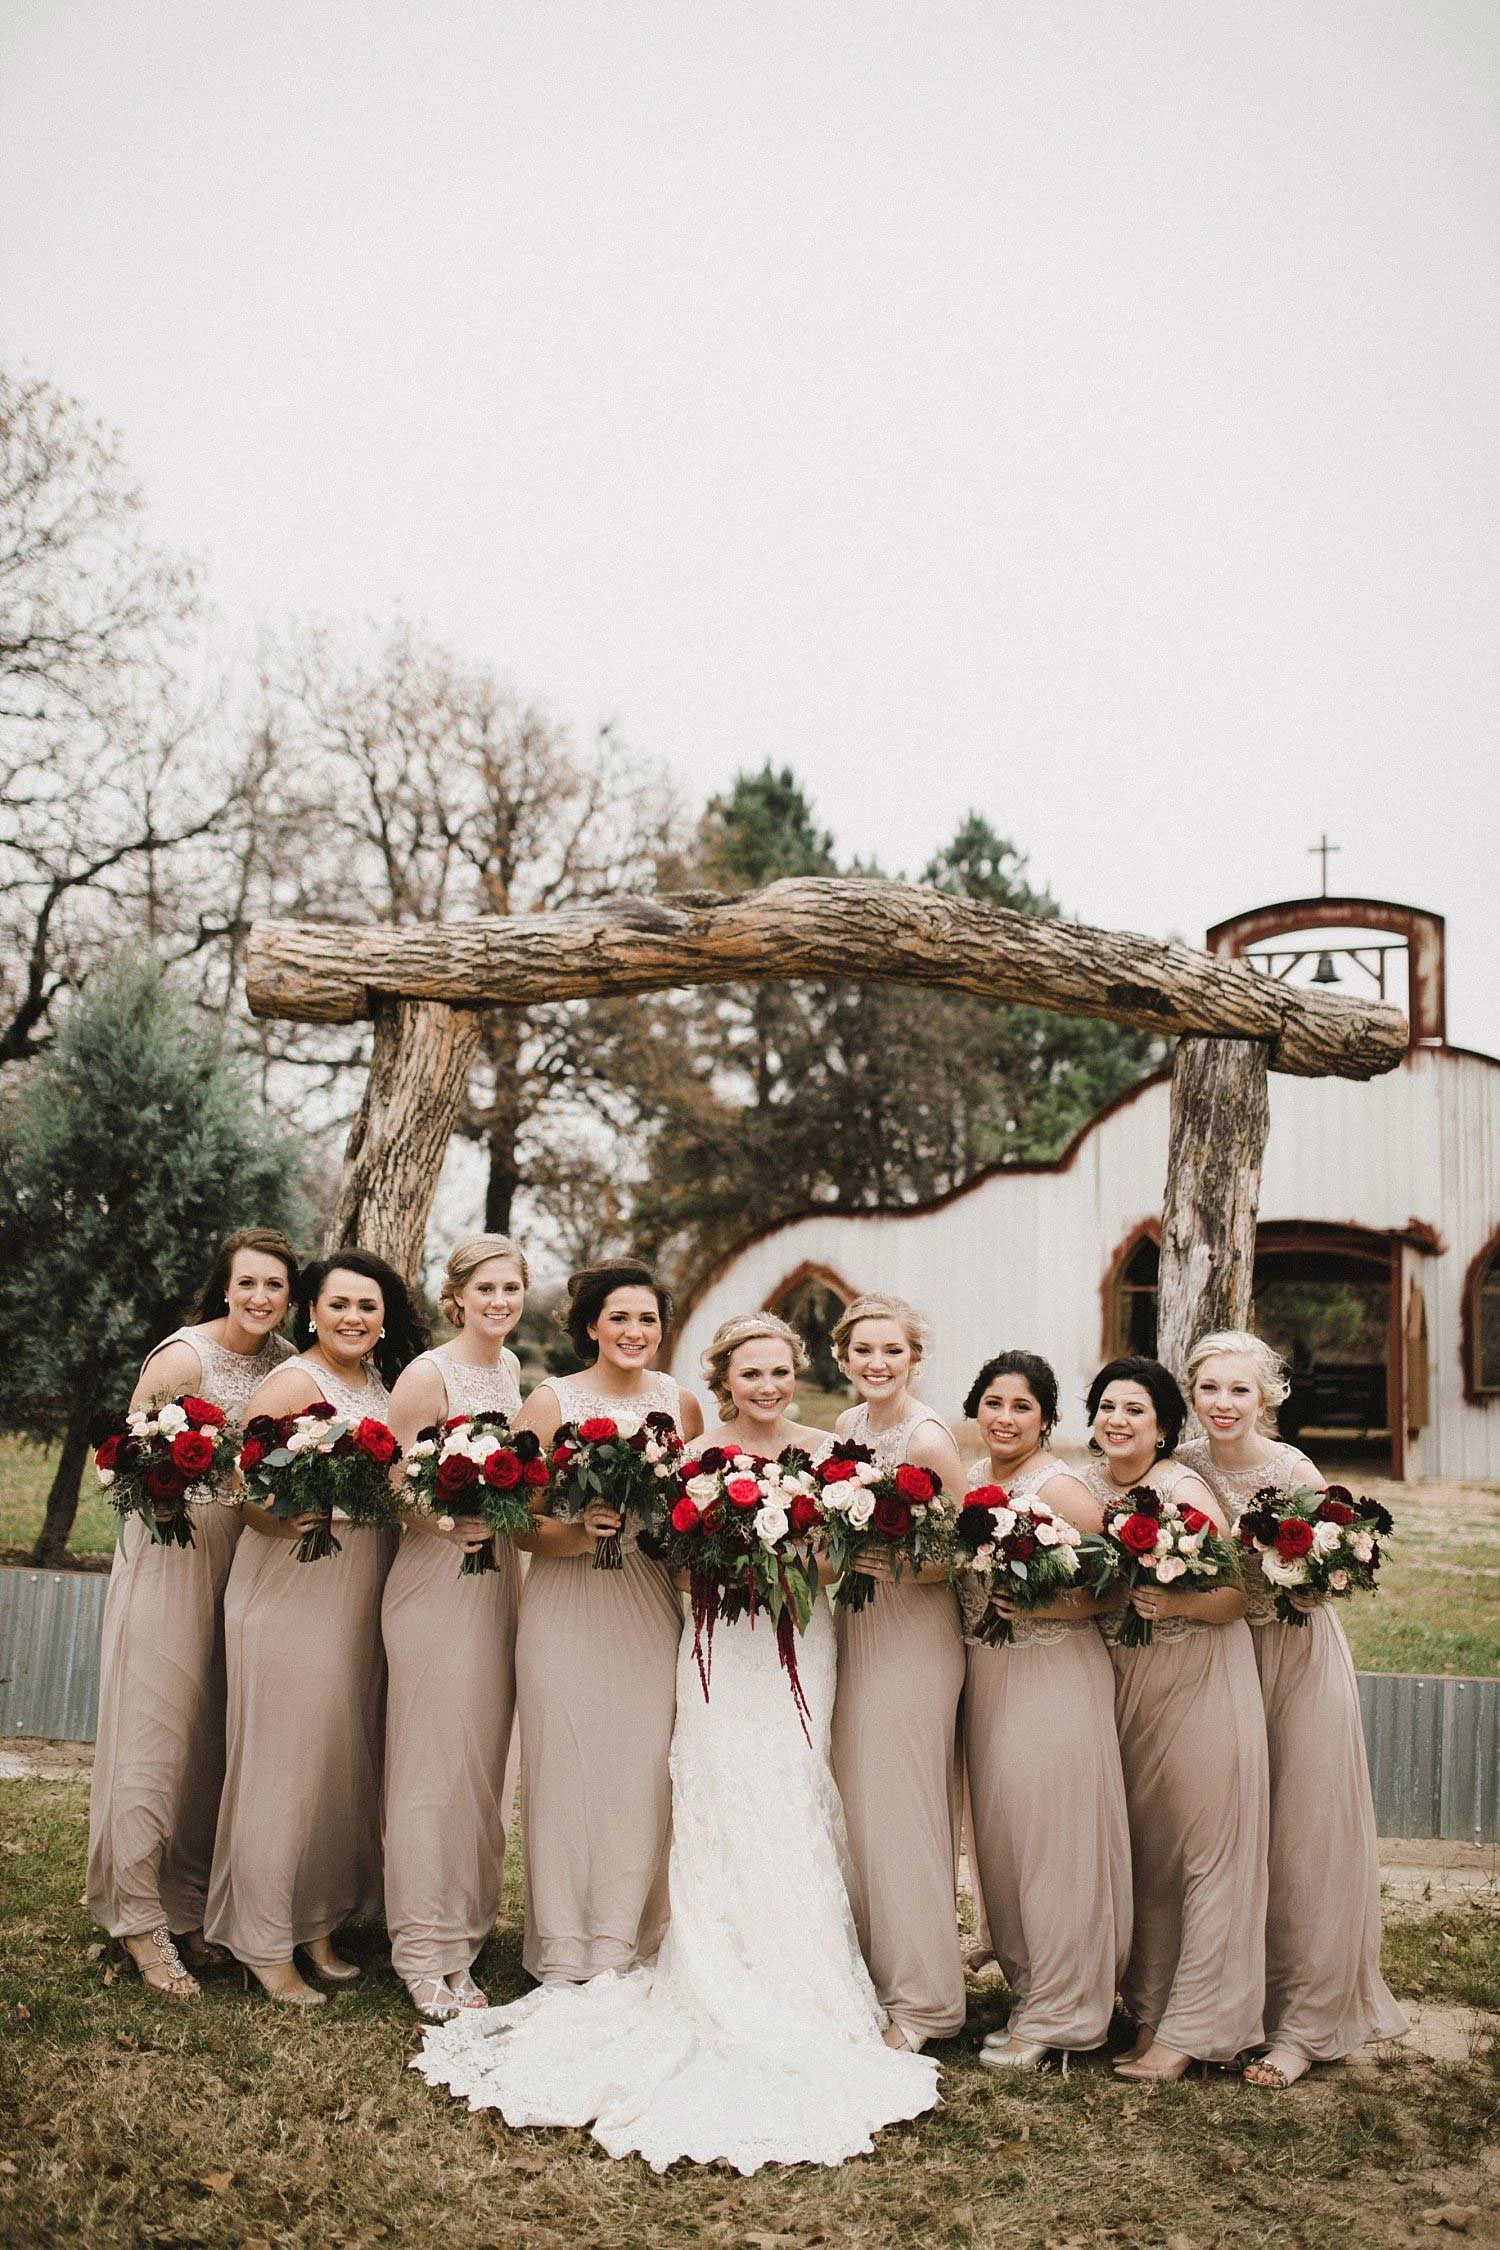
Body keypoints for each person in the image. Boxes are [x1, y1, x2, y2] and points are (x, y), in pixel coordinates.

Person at [412, 1312, 937, 2172]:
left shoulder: (829, 1455)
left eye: (780, 1373)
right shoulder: (693, 1456)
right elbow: (674, 1556)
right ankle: (707, 1954)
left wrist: (800, 1544)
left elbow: (842, 1562)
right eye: (750, 1374)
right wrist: (727, 1547)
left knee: (795, 1790)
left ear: (798, 1376)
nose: (767, 1388)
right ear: (722, 1380)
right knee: (717, 1787)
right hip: (713, 1646)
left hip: (800, 1642)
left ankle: (798, 1969)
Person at [1181, 1329, 1406, 2087]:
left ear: (1267, 1397)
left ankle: (1305, 2028)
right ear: (1192, 1393)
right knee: (1233, 1838)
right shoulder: (1182, 1467)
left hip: (1295, 1658)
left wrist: (1319, 1582)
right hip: (1218, 1663)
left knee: (1304, 1836)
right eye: (1210, 1388)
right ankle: (1231, 2005)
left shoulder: (1291, 1469)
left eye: (1239, 1389)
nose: (1223, 1403)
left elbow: (1335, 1566)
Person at [204, 1249, 426, 2005]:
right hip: (291, 1585)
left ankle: (315, 1922)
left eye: (367, 1306)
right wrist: (282, 1515)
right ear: (313, 1311)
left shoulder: (379, 1386)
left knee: (333, 1767)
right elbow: (243, 1489)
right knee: (282, 1769)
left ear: (384, 1315)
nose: (354, 1318)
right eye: (339, 1305)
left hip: (359, 1586)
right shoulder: (294, 1382)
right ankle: (260, 1941)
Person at [86, 1228, 298, 1999]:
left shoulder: (282, 1364)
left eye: (274, 1286)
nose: (260, 1299)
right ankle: (136, 1917)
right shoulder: (184, 1358)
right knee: (157, 1726)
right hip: (172, 1548)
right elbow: (120, 1461)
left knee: (214, 1731)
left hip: (247, 1553)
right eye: (247, 1284)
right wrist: (176, 1483)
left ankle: (185, 1905)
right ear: (224, 1285)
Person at [510, 1261, 703, 1984]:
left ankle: (622, 1940)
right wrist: (578, 1531)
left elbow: (689, 1514)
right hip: (565, 1604)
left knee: (638, 1772)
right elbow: (520, 1527)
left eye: (647, 1319)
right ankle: (563, 1944)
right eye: (619, 1317)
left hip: (648, 1607)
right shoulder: (551, 1401)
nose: (634, 1331)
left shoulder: (679, 1405)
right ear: (590, 1325)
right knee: (563, 1769)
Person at [1082, 1354, 1269, 2081]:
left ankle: (1193, 2032)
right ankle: (1153, 2014)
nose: (1117, 1421)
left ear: (1162, 1428)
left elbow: (1235, 1599)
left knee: (1208, 1858)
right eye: (1107, 1407)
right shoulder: (1092, 1484)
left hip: (1202, 1682)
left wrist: (1178, 1602)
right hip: (1133, 1688)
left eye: (1135, 1410)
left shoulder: (1180, 1488)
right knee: (1152, 1858)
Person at [959, 1351, 1131, 2069]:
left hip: (1054, 1672)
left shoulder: (1057, 1487)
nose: (1004, 1418)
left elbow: (1118, 1579)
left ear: (1047, 1419)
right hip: (991, 1674)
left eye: (1021, 1407)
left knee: (1055, 1840)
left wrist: (1050, 1602)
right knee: (1006, 1841)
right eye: (994, 1402)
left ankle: (1064, 2014)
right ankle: (1033, 1986)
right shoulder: (973, 1482)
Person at [383, 1235, 530, 2024]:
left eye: (512, 1288)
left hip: (501, 1576)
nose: (500, 1301)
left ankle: (464, 1935)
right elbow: (391, 1483)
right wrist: (444, 1524)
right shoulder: (427, 1374)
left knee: (481, 1765)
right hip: (437, 1580)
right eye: (486, 1288)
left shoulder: (509, 1373)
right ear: (458, 1296)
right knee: (430, 1764)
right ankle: (420, 1949)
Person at [827, 1293, 967, 2054]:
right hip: (856, 1628)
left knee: (905, 1811)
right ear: (843, 1358)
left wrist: (901, 1564)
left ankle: (926, 2002)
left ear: (915, 1358)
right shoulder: (849, 1428)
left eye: (892, 1352)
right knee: (866, 1812)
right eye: (863, 1352)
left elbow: (962, 1551)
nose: (877, 1364)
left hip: (913, 1638)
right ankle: (878, 1977)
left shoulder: (927, 1437)